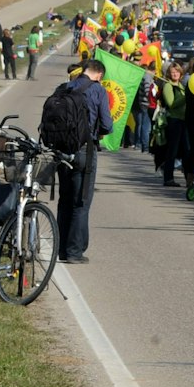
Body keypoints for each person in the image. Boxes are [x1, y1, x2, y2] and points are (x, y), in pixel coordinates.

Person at [57, 58, 113, 263]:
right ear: (98, 74)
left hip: (61, 150)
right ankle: (74, 252)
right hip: (84, 150)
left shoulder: (65, 86)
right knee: (81, 202)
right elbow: (107, 124)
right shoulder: (97, 90)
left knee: (65, 200)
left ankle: (61, 249)